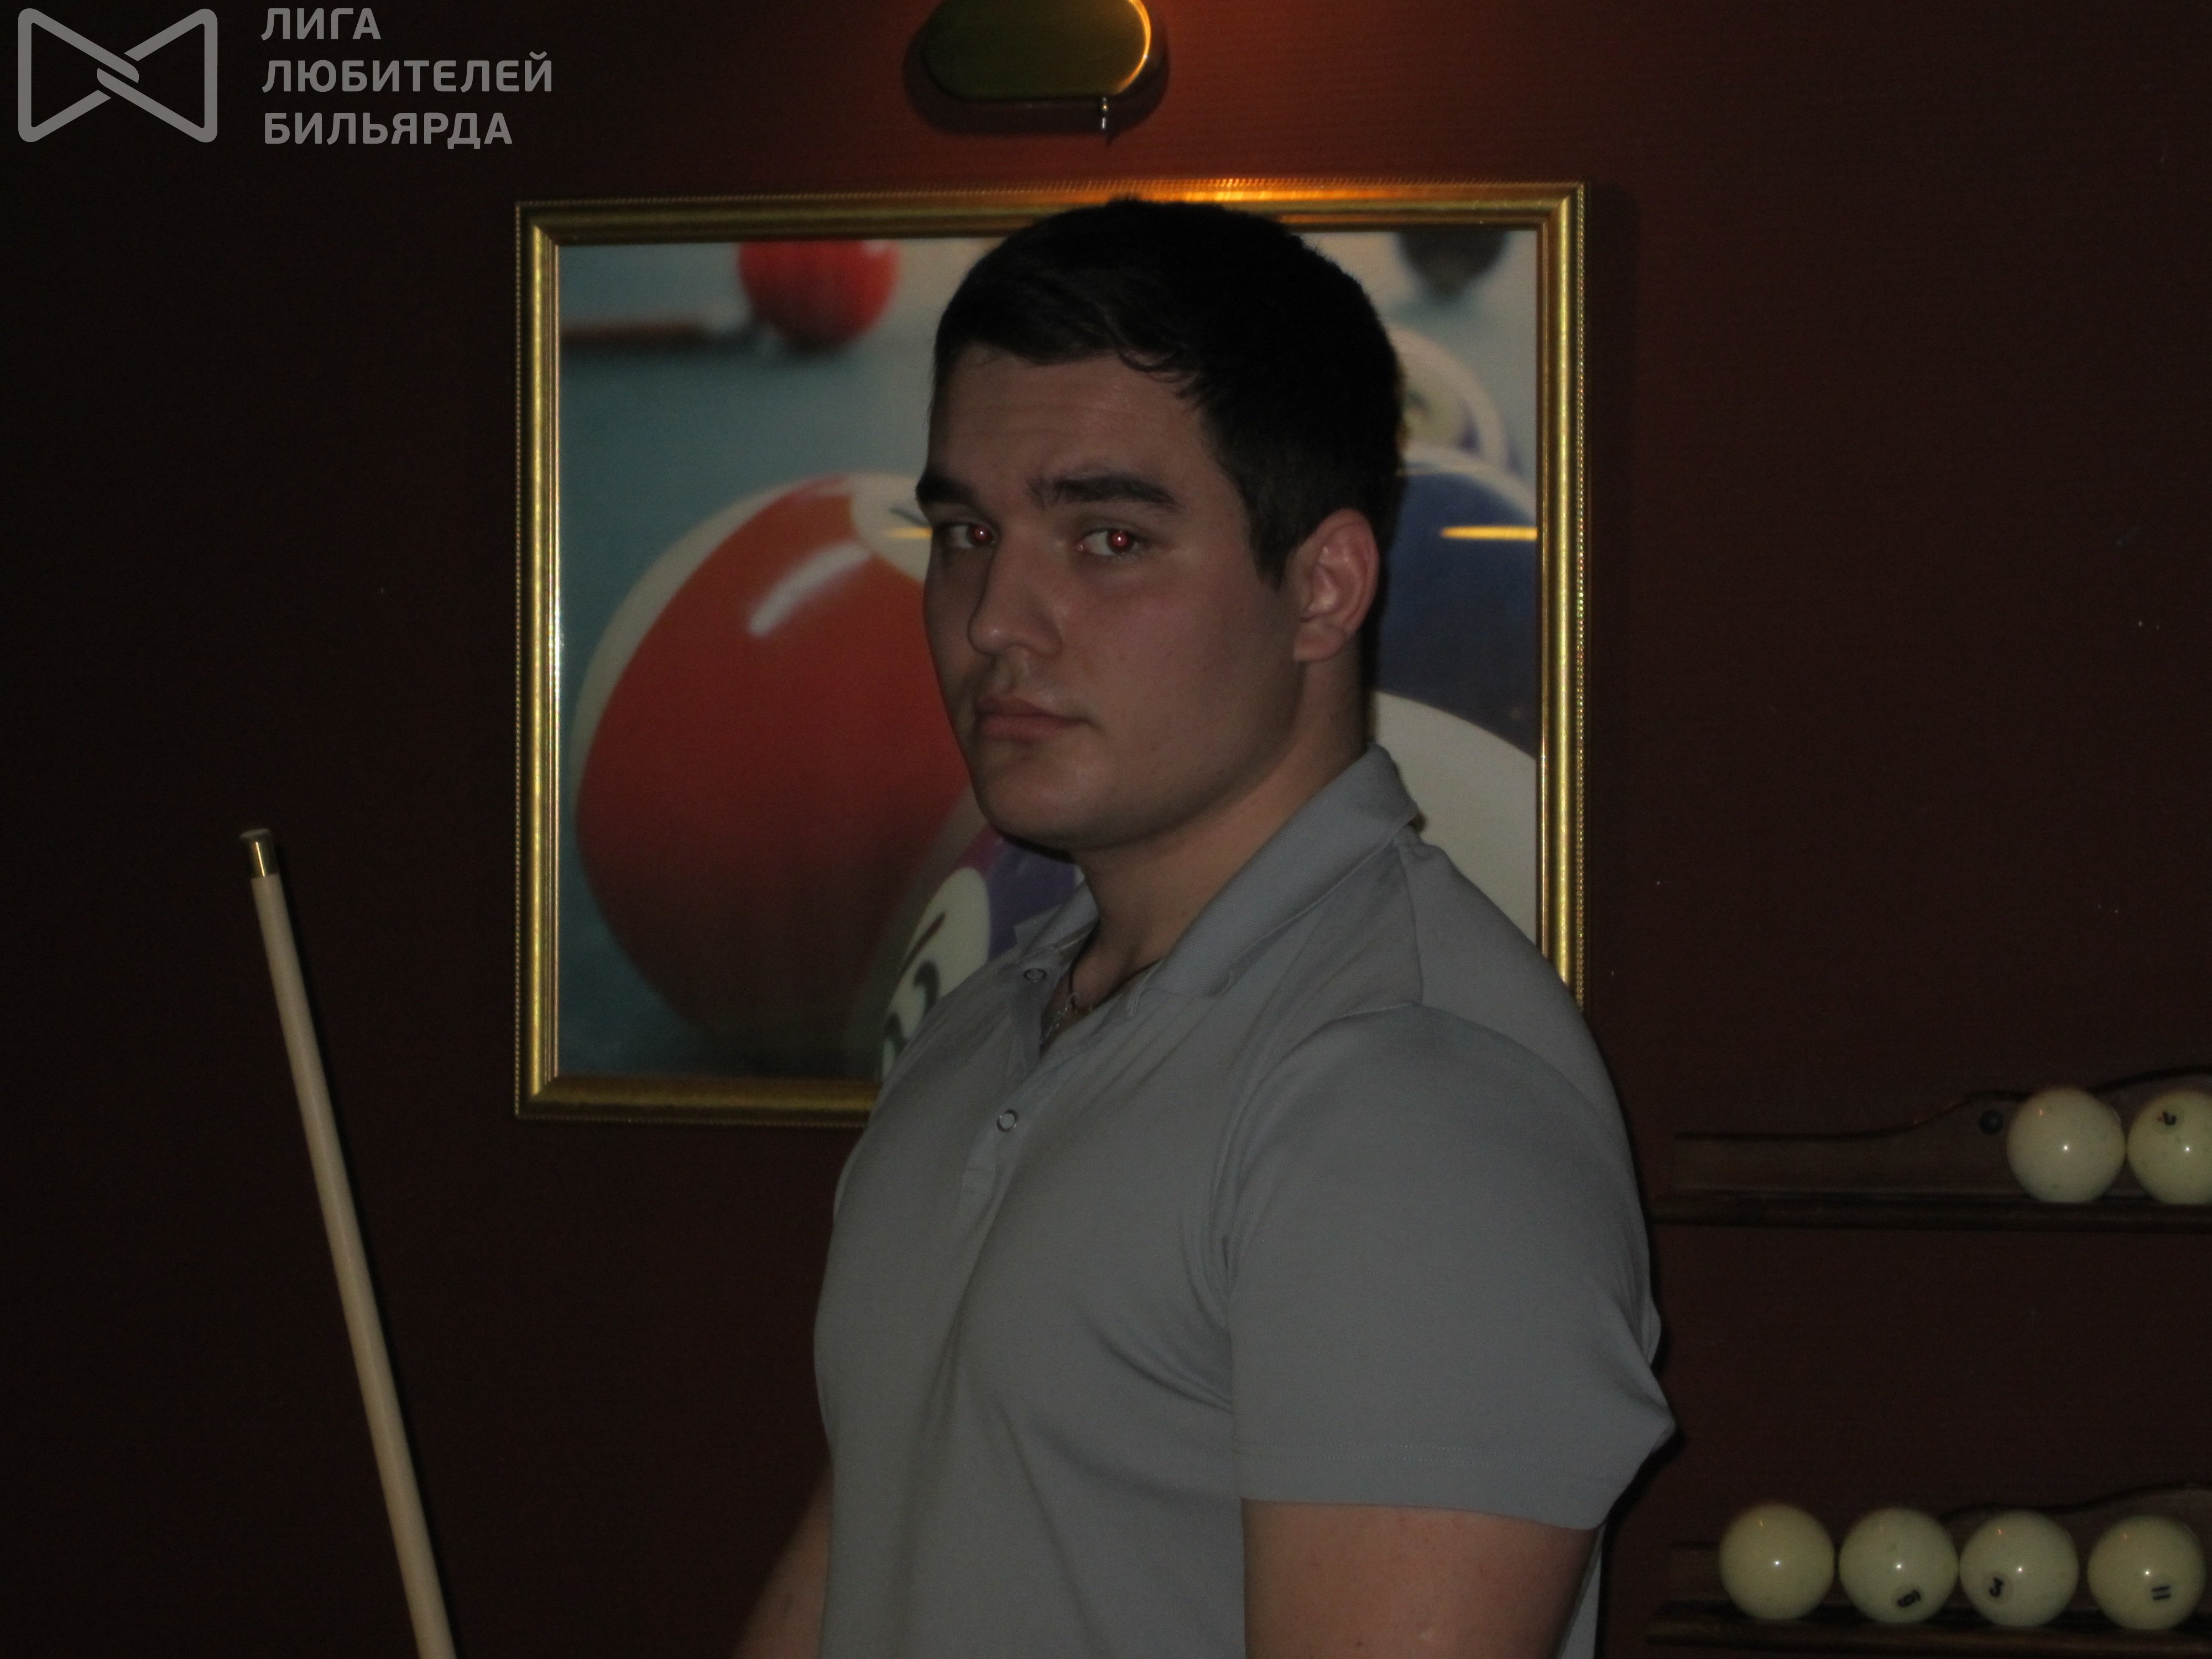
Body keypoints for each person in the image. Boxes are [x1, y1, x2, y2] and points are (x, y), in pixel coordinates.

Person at [736, 200, 1671, 1659]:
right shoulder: (987, 1029)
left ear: (1324, 587)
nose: (995, 619)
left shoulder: (1411, 1098)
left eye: (1108, 537)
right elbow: (863, 1553)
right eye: (968, 532)